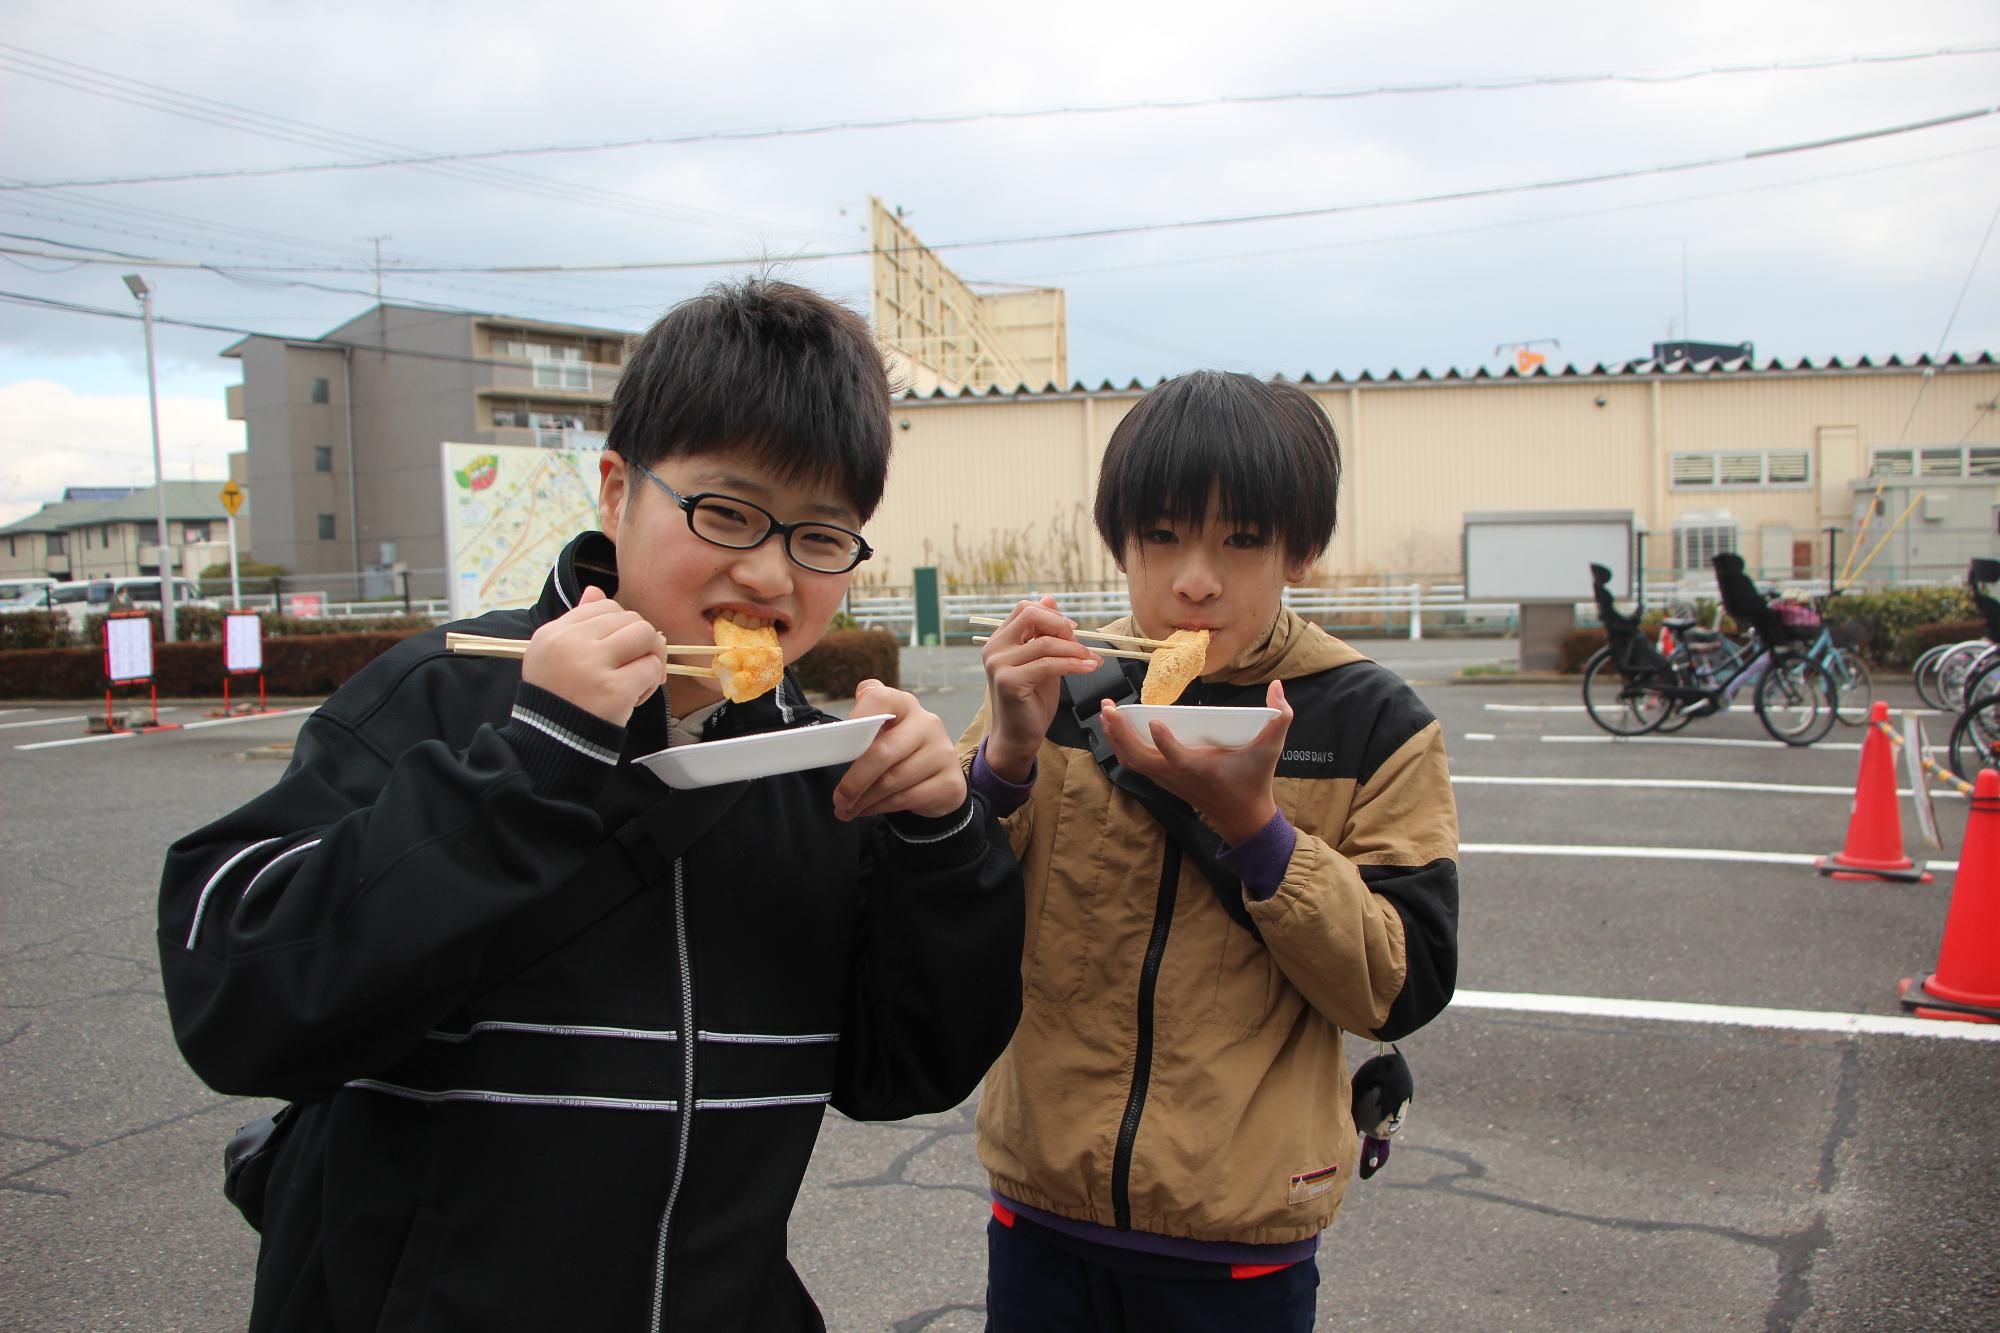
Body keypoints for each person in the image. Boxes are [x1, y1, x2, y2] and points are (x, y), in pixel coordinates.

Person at [157, 278, 1026, 1332]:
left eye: (818, 535)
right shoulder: (447, 693)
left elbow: (900, 1071)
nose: (766, 571)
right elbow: (237, 997)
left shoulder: (817, 765)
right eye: (726, 511)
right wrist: (535, 762)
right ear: (617, 491)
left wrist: (940, 842)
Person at [960, 371, 1460, 1331]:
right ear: (1121, 541)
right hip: (1040, 1207)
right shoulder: (1055, 687)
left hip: (1241, 1237)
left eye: (1239, 538)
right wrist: (1003, 761)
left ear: (1300, 549)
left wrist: (1259, 834)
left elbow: (1405, 981)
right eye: (1161, 536)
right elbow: (940, 911)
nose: (1194, 576)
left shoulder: (1371, 721)